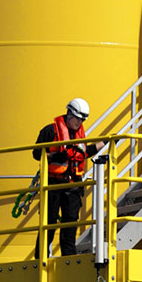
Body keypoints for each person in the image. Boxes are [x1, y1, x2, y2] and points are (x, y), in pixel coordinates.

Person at [32, 97, 95, 257]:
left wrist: (109, 142)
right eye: (77, 118)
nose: (79, 123)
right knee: (49, 223)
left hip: (73, 187)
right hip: (53, 186)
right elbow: (36, 153)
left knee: (70, 225)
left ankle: (69, 257)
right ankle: (40, 258)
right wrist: (54, 155)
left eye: (82, 120)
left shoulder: (79, 135)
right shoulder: (50, 131)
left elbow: (85, 152)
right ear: (69, 114)